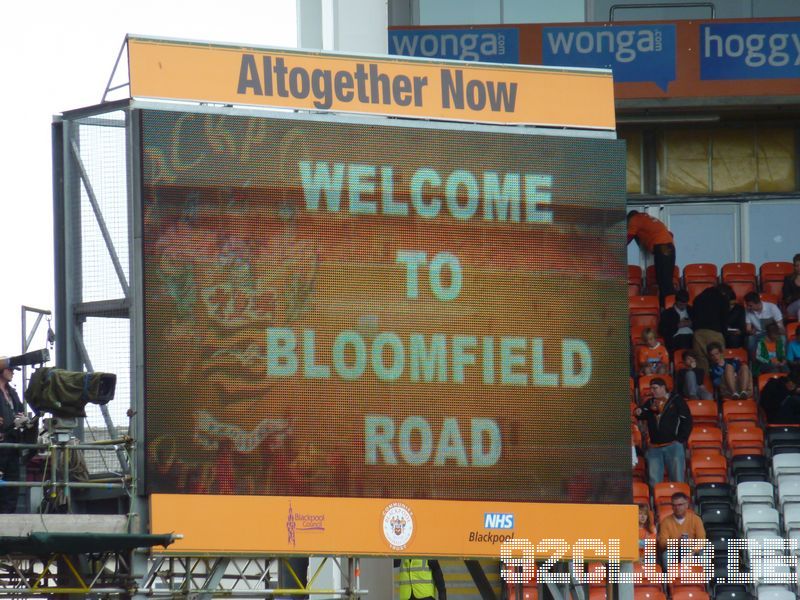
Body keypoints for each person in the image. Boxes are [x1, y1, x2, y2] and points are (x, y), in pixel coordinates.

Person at [635, 377, 692, 488]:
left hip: (673, 446)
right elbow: (641, 413)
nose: (652, 391)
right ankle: (657, 504)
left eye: (655, 388)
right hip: (655, 447)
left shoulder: (676, 400)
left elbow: (687, 420)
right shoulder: (650, 402)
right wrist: (637, 411)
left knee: (677, 480)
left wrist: (681, 439)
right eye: (651, 388)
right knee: (654, 482)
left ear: (663, 387)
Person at [627, 210, 676, 305]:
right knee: (665, 280)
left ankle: (669, 307)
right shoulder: (648, 219)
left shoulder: (634, 219)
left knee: (664, 281)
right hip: (669, 247)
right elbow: (670, 234)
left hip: (662, 246)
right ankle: (665, 305)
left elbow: (628, 237)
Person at [0, 362, 25, 513]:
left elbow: (20, 410)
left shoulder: (12, 392)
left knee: (11, 484)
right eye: (10, 369)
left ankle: (8, 522)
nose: (13, 372)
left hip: (12, 443)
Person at [657, 492, 707, 566]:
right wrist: (677, 542)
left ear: (686, 505)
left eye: (680, 505)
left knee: (704, 555)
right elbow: (662, 543)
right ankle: (672, 577)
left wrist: (693, 551)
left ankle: (703, 577)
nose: (677, 508)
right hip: (674, 550)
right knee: (666, 556)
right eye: (674, 505)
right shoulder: (666, 521)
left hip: (692, 550)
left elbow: (702, 540)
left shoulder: (696, 519)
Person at [691, 284, 731, 371]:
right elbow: (724, 320)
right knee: (718, 362)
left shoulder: (698, 298)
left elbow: (693, 317)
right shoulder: (722, 299)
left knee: (701, 363)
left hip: (698, 334)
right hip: (715, 333)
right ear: (724, 293)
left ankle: (705, 383)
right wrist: (725, 335)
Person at [745, 291, 785, 357]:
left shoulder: (772, 307)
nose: (748, 307)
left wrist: (775, 329)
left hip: (773, 333)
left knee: (782, 338)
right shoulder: (748, 311)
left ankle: (781, 359)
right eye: (747, 305)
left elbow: (780, 326)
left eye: (750, 305)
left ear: (758, 303)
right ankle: (754, 361)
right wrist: (751, 331)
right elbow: (748, 328)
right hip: (759, 333)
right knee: (750, 339)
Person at [720, 282, 747, 349]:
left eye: (733, 304)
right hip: (722, 332)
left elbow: (743, 326)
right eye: (730, 304)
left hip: (735, 334)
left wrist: (740, 332)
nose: (731, 306)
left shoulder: (740, 309)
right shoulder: (719, 309)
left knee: (734, 338)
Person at [783, 253, 800, 322]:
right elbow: (787, 299)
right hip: (791, 307)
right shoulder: (788, 279)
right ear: (794, 266)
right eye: (797, 266)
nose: (799, 268)